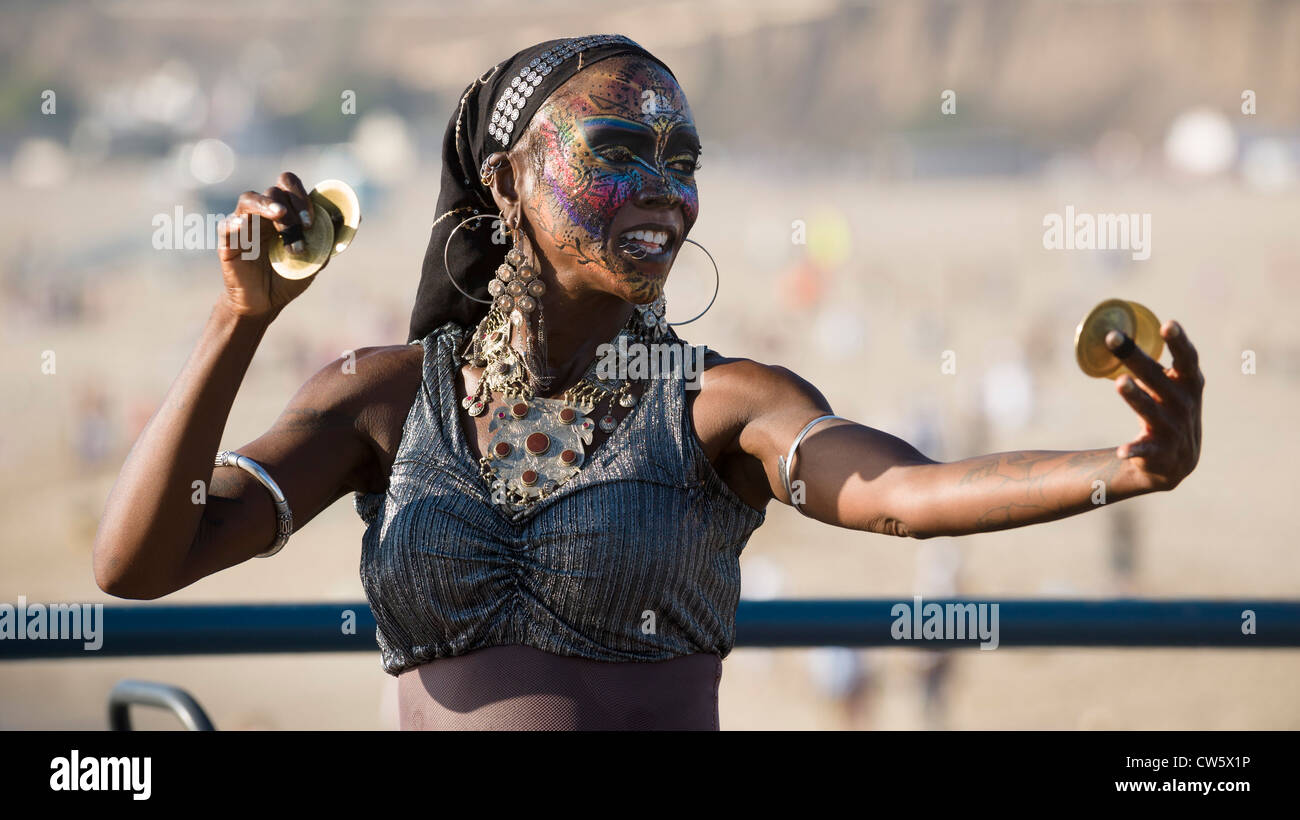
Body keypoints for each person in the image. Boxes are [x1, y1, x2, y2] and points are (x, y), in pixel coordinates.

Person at [92, 34, 1205, 731]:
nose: (663, 190)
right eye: (618, 149)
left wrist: (1123, 469)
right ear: (506, 182)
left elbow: (907, 496)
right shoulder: (382, 399)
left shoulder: (722, 406)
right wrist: (239, 319)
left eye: (683, 163)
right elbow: (138, 561)